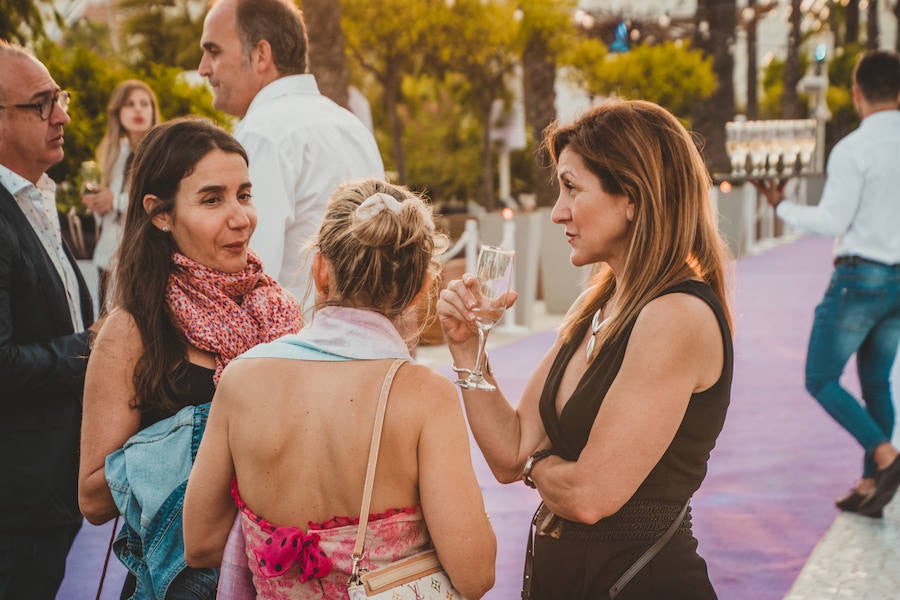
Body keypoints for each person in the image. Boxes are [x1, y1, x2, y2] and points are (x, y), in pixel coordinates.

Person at [438, 100, 734, 599]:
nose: (558, 212)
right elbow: (510, 452)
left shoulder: (675, 315)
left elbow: (588, 495)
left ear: (633, 198)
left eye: (572, 187)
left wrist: (537, 464)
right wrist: (469, 353)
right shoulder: (599, 304)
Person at [182, 179, 496, 599]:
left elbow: (200, 544)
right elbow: (475, 575)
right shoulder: (423, 396)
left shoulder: (242, 378)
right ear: (422, 286)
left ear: (321, 269)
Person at [78, 118, 302, 599]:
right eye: (211, 199)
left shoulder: (278, 312)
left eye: (244, 194)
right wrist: (210, 433)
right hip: (178, 582)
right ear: (160, 215)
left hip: (280, 574)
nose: (240, 217)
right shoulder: (133, 329)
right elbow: (94, 496)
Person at [753, 49, 900, 519]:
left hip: (862, 276)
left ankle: (886, 456)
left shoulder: (853, 149)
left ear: (857, 94)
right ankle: (870, 484)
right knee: (876, 381)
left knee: (820, 377)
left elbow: (833, 218)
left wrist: (781, 207)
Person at [199, 0, 385, 312]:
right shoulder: (353, 127)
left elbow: (247, 274)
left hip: (291, 348)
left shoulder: (262, 133)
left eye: (214, 51)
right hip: (365, 344)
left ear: (261, 54)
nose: (203, 68)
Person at [0, 41, 95, 599]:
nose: (61, 115)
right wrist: (93, 347)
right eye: (42, 104)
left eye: (58, 97)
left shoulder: (33, 198)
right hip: (16, 502)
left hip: (45, 495)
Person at [82, 79, 161, 311]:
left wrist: (114, 201)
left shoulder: (159, 153)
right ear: (118, 112)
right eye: (130, 104)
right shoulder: (112, 152)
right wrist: (96, 204)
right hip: (107, 255)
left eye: (144, 104)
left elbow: (160, 201)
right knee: (105, 324)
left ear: (153, 111)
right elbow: (106, 213)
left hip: (144, 256)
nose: (138, 109)